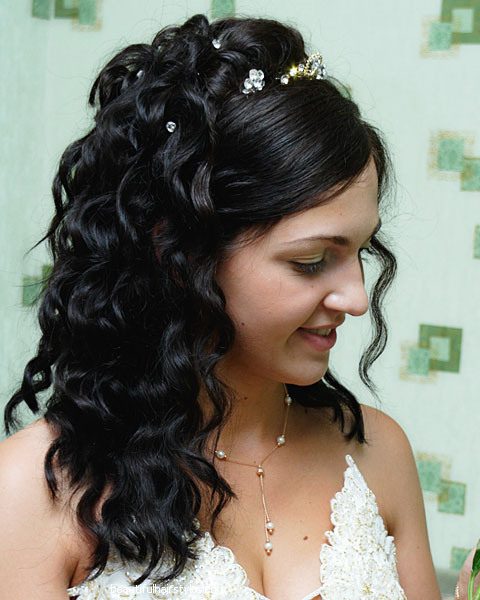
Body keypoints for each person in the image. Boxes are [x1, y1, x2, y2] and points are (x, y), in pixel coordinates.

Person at [0, 13, 441, 600]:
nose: (357, 298)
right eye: (312, 260)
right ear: (179, 251)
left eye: (360, 251)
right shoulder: (34, 493)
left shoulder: (380, 454)